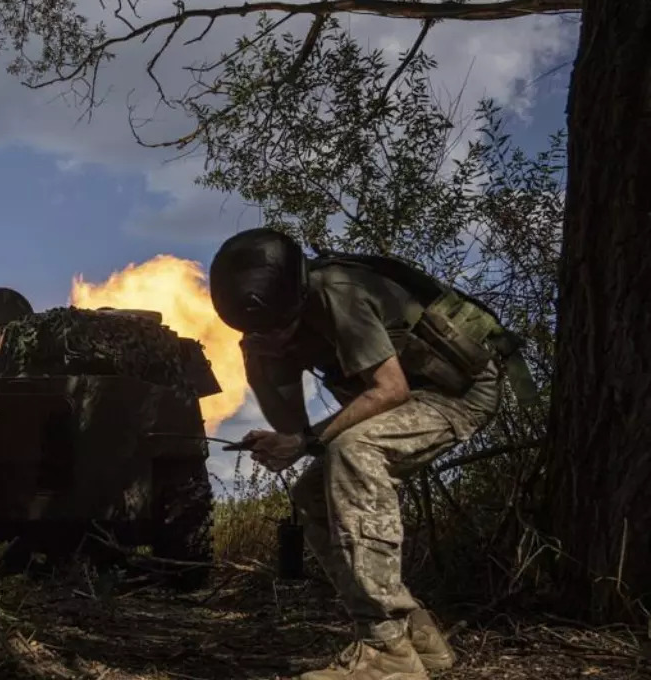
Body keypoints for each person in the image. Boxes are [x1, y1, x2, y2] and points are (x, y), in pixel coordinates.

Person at [208, 228, 512, 680]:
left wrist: (307, 441)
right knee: (312, 492)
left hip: (459, 392)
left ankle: (385, 648)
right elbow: (291, 427)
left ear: (295, 297)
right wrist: (260, 365)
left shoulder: (338, 293)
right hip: (412, 396)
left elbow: (390, 390)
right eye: (258, 330)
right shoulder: (271, 329)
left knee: (354, 449)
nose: (269, 334)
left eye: (276, 326)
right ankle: (418, 639)